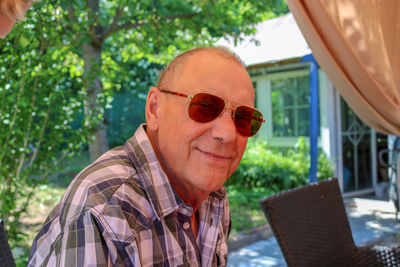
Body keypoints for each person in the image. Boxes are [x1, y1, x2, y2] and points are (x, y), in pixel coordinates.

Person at [28, 46, 264, 266]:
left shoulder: (214, 198)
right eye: (205, 106)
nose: (228, 134)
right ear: (154, 109)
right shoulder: (101, 212)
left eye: (244, 119)